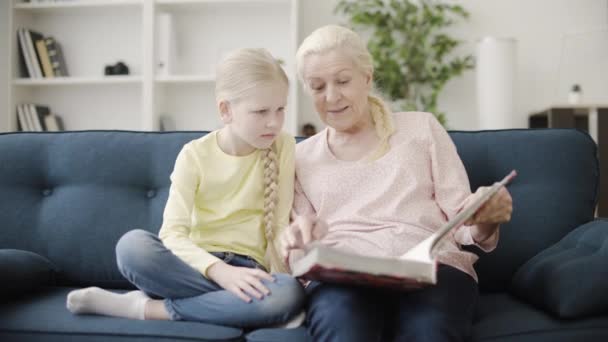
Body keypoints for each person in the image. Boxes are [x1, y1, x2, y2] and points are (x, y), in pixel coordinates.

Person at [280, 25, 513, 341]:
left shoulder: (421, 128)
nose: (331, 96)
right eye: (317, 86)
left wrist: (486, 218)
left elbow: (464, 223)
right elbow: (301, 253)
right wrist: (299, 245)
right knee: (342, 324)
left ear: (367, 76)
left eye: (343, 81)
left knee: (428, 330)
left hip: (432, 268)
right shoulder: (300, 157)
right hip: (344, 277)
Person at [66, 48, 305, 328]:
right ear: (225, 110)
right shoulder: (194, 155)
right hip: (190, 267)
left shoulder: (283, 146)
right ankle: (245, 308)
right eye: (261, 111)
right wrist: (220, 272)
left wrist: (277, 282)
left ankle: (144, 308)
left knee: (287, 292)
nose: (274, 122)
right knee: (132, 246)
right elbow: (172, 235)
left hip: (250, 273)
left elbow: (278, 227)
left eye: (280, 109)